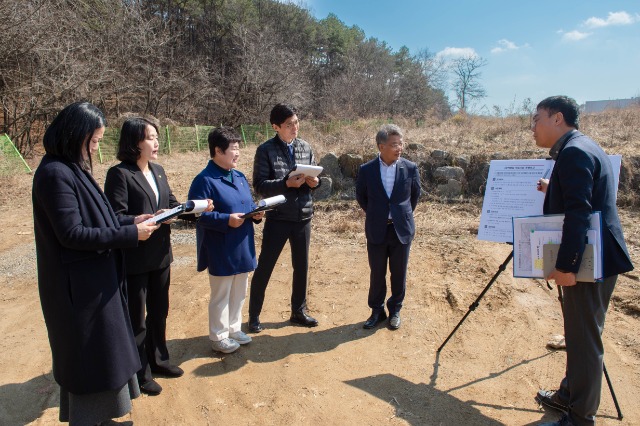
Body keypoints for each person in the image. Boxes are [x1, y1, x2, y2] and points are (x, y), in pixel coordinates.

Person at [32, 102, 159, 425]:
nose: (95, 148)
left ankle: (105, 419)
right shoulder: (53, 174)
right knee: (90, 363)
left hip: (95, 283)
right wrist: (131, 234)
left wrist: (132, 220)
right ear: (74, 135)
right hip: (79, 292)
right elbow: (72, 234)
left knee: (107, 358)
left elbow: (100, 218)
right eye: (93, 141)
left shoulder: (72, 168)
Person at [531, 96, 634, 426]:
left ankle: (579, 418)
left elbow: (580, 213)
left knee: (585, 341)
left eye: (537, 119)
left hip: (591, 262)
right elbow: (586, 194)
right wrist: (554, 186)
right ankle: (568, 396)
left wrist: (565, 266)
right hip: (598, 257)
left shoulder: (574, 152)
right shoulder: (582, 147)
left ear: (557, 118)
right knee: (578, 334)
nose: (533, 126)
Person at [104, 117, 207, 395]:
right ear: (134, 142)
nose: (156, 142)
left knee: (159, 311)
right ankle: (140, 373)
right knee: (137, 319)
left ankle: (160, 360)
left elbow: (171, 204)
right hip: (135, 257)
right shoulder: (120, 174)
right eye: (150, 137)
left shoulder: (158, 170)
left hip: (161, 254)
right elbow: (114, 217)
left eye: (156, 137)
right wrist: (137, 219)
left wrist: (194, 209)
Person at [188, 127, 264, 353]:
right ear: (218, 151)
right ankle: (218, 335)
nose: (238, 154)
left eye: (238, 148)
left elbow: (246, 205)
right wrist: (225, 220)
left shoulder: (239, 177)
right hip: (220, 245)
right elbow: (196, 216)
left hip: (242, 243)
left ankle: (233, 328)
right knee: (221, 293)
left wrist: (256, 213)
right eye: (233, 149)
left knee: (240, 290)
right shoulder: (204, 180)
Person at [247, 103, 321, 332]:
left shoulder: (305, 147)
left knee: (302, 266)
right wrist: (285, 184)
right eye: (289, 124)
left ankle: (298, 311)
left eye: (296, 122)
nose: (295, 127)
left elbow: (315, 176)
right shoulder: (265, 150)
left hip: (303, 216)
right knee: (266, 266)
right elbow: (259, 185)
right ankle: (254, 315)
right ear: (276, 127)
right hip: (278, 217)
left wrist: (315, 183)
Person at [355, 124, 421, 330]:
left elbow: (414, 196)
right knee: (377, 272)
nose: (399, 148)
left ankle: (395, 310)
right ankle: (377, 311)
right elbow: (362, 197)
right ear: (381, 146)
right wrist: (378, 214)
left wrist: (401, 215)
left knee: (399, 272)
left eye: (401, 143)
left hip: (401, 229)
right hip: (377, 228)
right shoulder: (366, 170)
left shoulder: (410, 168)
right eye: (394, 144)